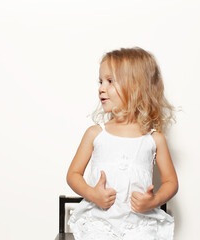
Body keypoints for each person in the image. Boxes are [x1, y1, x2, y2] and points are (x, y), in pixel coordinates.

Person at [66, 47, 178, 240]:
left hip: (139, 224)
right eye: (100, 81)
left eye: (110, 81)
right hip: (99, 221)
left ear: (135, 87)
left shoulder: (154, 139)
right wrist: (93, 195)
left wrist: (153, 201)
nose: (101, 88)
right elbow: (73, 175)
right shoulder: (95, 133)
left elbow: (171, 182)